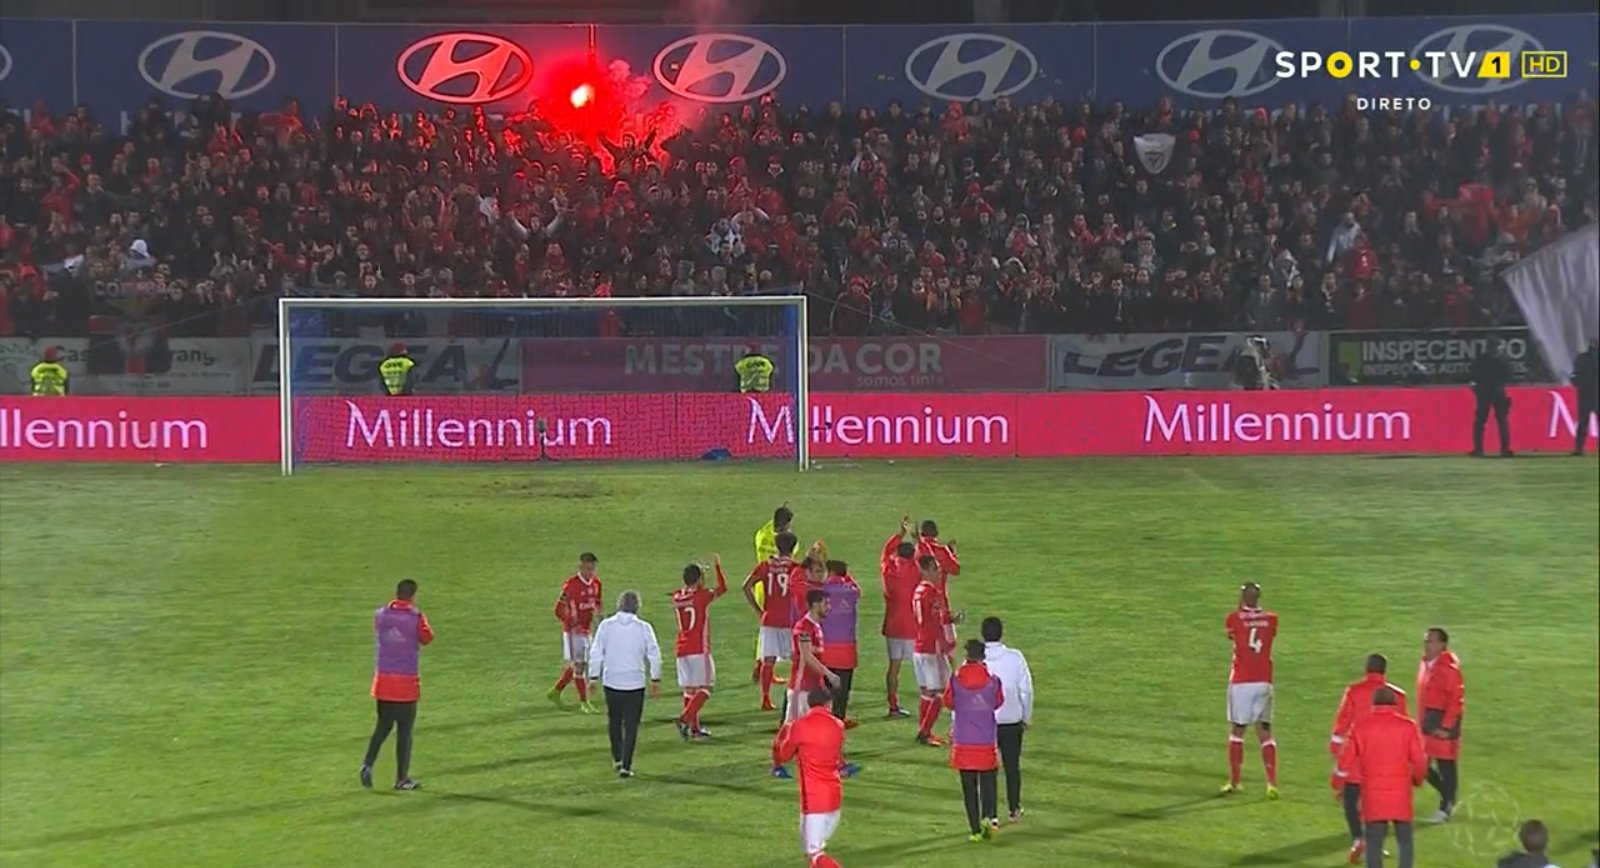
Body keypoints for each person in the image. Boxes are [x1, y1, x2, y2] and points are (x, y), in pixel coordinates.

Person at [1330, 654, 1410, 864]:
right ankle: (1375, 845)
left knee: (1350, 801)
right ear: (1384, 671)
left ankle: (1358, 839)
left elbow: (1341, 725)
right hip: (1386, 763)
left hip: (1356, 760)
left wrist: (1336, 751)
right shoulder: (1398, 696)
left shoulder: (1354, 692)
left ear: (1367, 669)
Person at [1336, 688, 1426, 868]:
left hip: (1373, 796)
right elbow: (1419, 760)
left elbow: (1346, 758)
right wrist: (1418, 779)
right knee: (1405, 841)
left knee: (1374, 843)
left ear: (1374, 704)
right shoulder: (1408, 726)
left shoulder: (1361, 726)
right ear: (1395, 704)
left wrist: (1337, 783)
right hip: (1400, 795)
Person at [361, 579, 434, 791]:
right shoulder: (416, 617)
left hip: (383, 681)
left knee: (382, 726)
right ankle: (401, 779)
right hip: (405, 683)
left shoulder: (381, 615)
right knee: (405, 731)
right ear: (413, 595)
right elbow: (427, 638)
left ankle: (367, 764)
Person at [588, 590, 663, 778]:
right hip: (635, 683)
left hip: (612, 681)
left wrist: (593, 677)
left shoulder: (606, 626)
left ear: (619, 605)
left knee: (614, 720)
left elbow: (596, 652)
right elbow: (654, 653)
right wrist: (655, 678)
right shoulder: (644, 628)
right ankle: (626, 765)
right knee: (631, 724)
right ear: (637, 607)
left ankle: (617, 757)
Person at [772, 689, 847, 868]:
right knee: (814, 852)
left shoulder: (800, 726)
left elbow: (784, 755)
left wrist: (782, 737)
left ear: (809, 704)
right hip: (834, 797)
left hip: (814, 801)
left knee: (814, 853)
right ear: (828, 704)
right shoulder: (838, 725)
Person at [1222, 582, 1280, 798]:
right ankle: (1272, 784)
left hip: (1241, 681)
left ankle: (1235, 782)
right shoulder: (1272, 619)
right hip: (1264, 681)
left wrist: (1242, 607)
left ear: (1242, 597)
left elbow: (1232, 635)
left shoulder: (1234, 618)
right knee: (1265, 731)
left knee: (1238, 731)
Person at [774, 589, 839, 778]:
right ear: (815, 604)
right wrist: (829, 675)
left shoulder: (816, 626)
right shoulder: (803, 627)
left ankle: (837, 764)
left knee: (823, 723)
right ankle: (777, 764)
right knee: (789, 727)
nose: (829, 607)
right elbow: (807, 657)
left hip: (814, 686)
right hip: (801, 688)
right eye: (826, 603)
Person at [946, 639, 1004, 842]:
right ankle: (988, 820)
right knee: (988, 783)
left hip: (964, 741)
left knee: (969, 787)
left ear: (966, 655)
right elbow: (998, 702)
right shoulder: (993, 681)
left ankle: (974, 830)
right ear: (983, 656)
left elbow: (948, 702)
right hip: (985, 740)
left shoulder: (956, 680)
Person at [981, 617, 1033, 823]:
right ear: (1001, 633)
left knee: (987, 769)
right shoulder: (1015, 657)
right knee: (1012, 767)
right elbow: (1026, 690)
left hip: (985, 722)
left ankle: (990, 815)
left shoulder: (976, 660)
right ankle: (1014, 808)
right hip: (1011, 720)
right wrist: (1026, 716)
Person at [744, 531, 801, 712]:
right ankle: (796, 693)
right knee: (798, 659)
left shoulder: (765, 566)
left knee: (768, 660)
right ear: (793, 548)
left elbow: (746, 586)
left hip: (769, 619)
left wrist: (758, 610)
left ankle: (765, 698)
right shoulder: (795, 568)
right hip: (790, 620)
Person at [671, 555, 728, 740]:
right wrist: (717, 567)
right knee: (706, 687)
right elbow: (722, 588)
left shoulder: (677, 596)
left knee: (690, 690)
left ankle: (694, 729)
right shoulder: (702, 596)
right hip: (698, 649)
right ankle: (684, 719)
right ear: (698, 579)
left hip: (681, 650)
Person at [1416, 627, 1465, 823]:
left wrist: (1446, 727)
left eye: (1431, 641)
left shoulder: (1449, 669)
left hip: (1443, 724)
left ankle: (1446, 808)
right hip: (1427, 723)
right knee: (1420, 767)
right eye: (1426, 640)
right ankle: (1448, 796)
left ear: (1442, 645)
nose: (1426, 644)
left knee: (1446, 767)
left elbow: (1456, 700)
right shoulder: (1426, 663)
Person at [912, 553, 961, 746]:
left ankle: (924, 730)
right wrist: (947, 647)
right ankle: (924, 733)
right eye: (935, 568)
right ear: (924, 571)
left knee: (927, 692)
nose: (939, 572)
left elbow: (930, 619)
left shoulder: (918, 590)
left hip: (920, 646)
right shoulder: (931, 593)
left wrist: (950, 619)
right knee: (942, 692)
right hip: (932, 648)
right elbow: (934, 625)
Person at [548, 553, 602, 713]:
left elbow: (597, 603)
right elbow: (558, 610)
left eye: (592, 569)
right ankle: (584, 702)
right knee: (579, 666)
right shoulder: (571, 585)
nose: (590, 572)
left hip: (587, 630)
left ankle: (555, 692)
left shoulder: (596, 584)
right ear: (580, 567)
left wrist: (599, 619)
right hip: (573, 633)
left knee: (578, 665)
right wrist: (571, 623)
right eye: (587, 568)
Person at [879, 516, 921, 719]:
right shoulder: (916, 570)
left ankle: (893, 705)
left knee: (893, 668)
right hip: (913, 627)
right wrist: (917, 538)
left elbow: (885, 551)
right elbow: (927, 557)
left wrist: (900, 534)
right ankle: (930, 704)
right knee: (922, 667)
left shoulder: (888, 568)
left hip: (893, 626)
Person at [752, 505, 796, 681]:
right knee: (775, 629)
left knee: (766, 629)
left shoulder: (761, 535)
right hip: (776, 588)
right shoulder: (785, 541)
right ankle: (762, 666)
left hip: (761, 585)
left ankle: (763, 666)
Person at [818, 560, 861, 728]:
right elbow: (856, 588)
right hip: (847, 648)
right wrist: (846, 576)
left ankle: (824, 718)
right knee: (843, 689)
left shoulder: (822, 590)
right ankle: (838, 720)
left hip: (826, 646)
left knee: (825, 687)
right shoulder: (852, 591)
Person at [1468, 342, 1514, 457]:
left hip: (1484, 391)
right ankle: (1504, 449)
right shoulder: (1503, 359)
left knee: (1480, 421)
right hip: (1498, 391)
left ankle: (1478, 449)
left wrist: (1477, 385)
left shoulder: (1482, 359)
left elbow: (1473, 373)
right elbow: (1509, 374)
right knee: (1502, 421)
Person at [1573, 338, 1598, 456]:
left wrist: (1577, 383)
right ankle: (1579, 448)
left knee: (1583, 421)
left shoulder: (1581, 358)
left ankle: (1579, 448)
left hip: (1585, 394)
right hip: (1592, 393)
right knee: (1583, 421)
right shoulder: (1582, 358)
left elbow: (1576, 375)